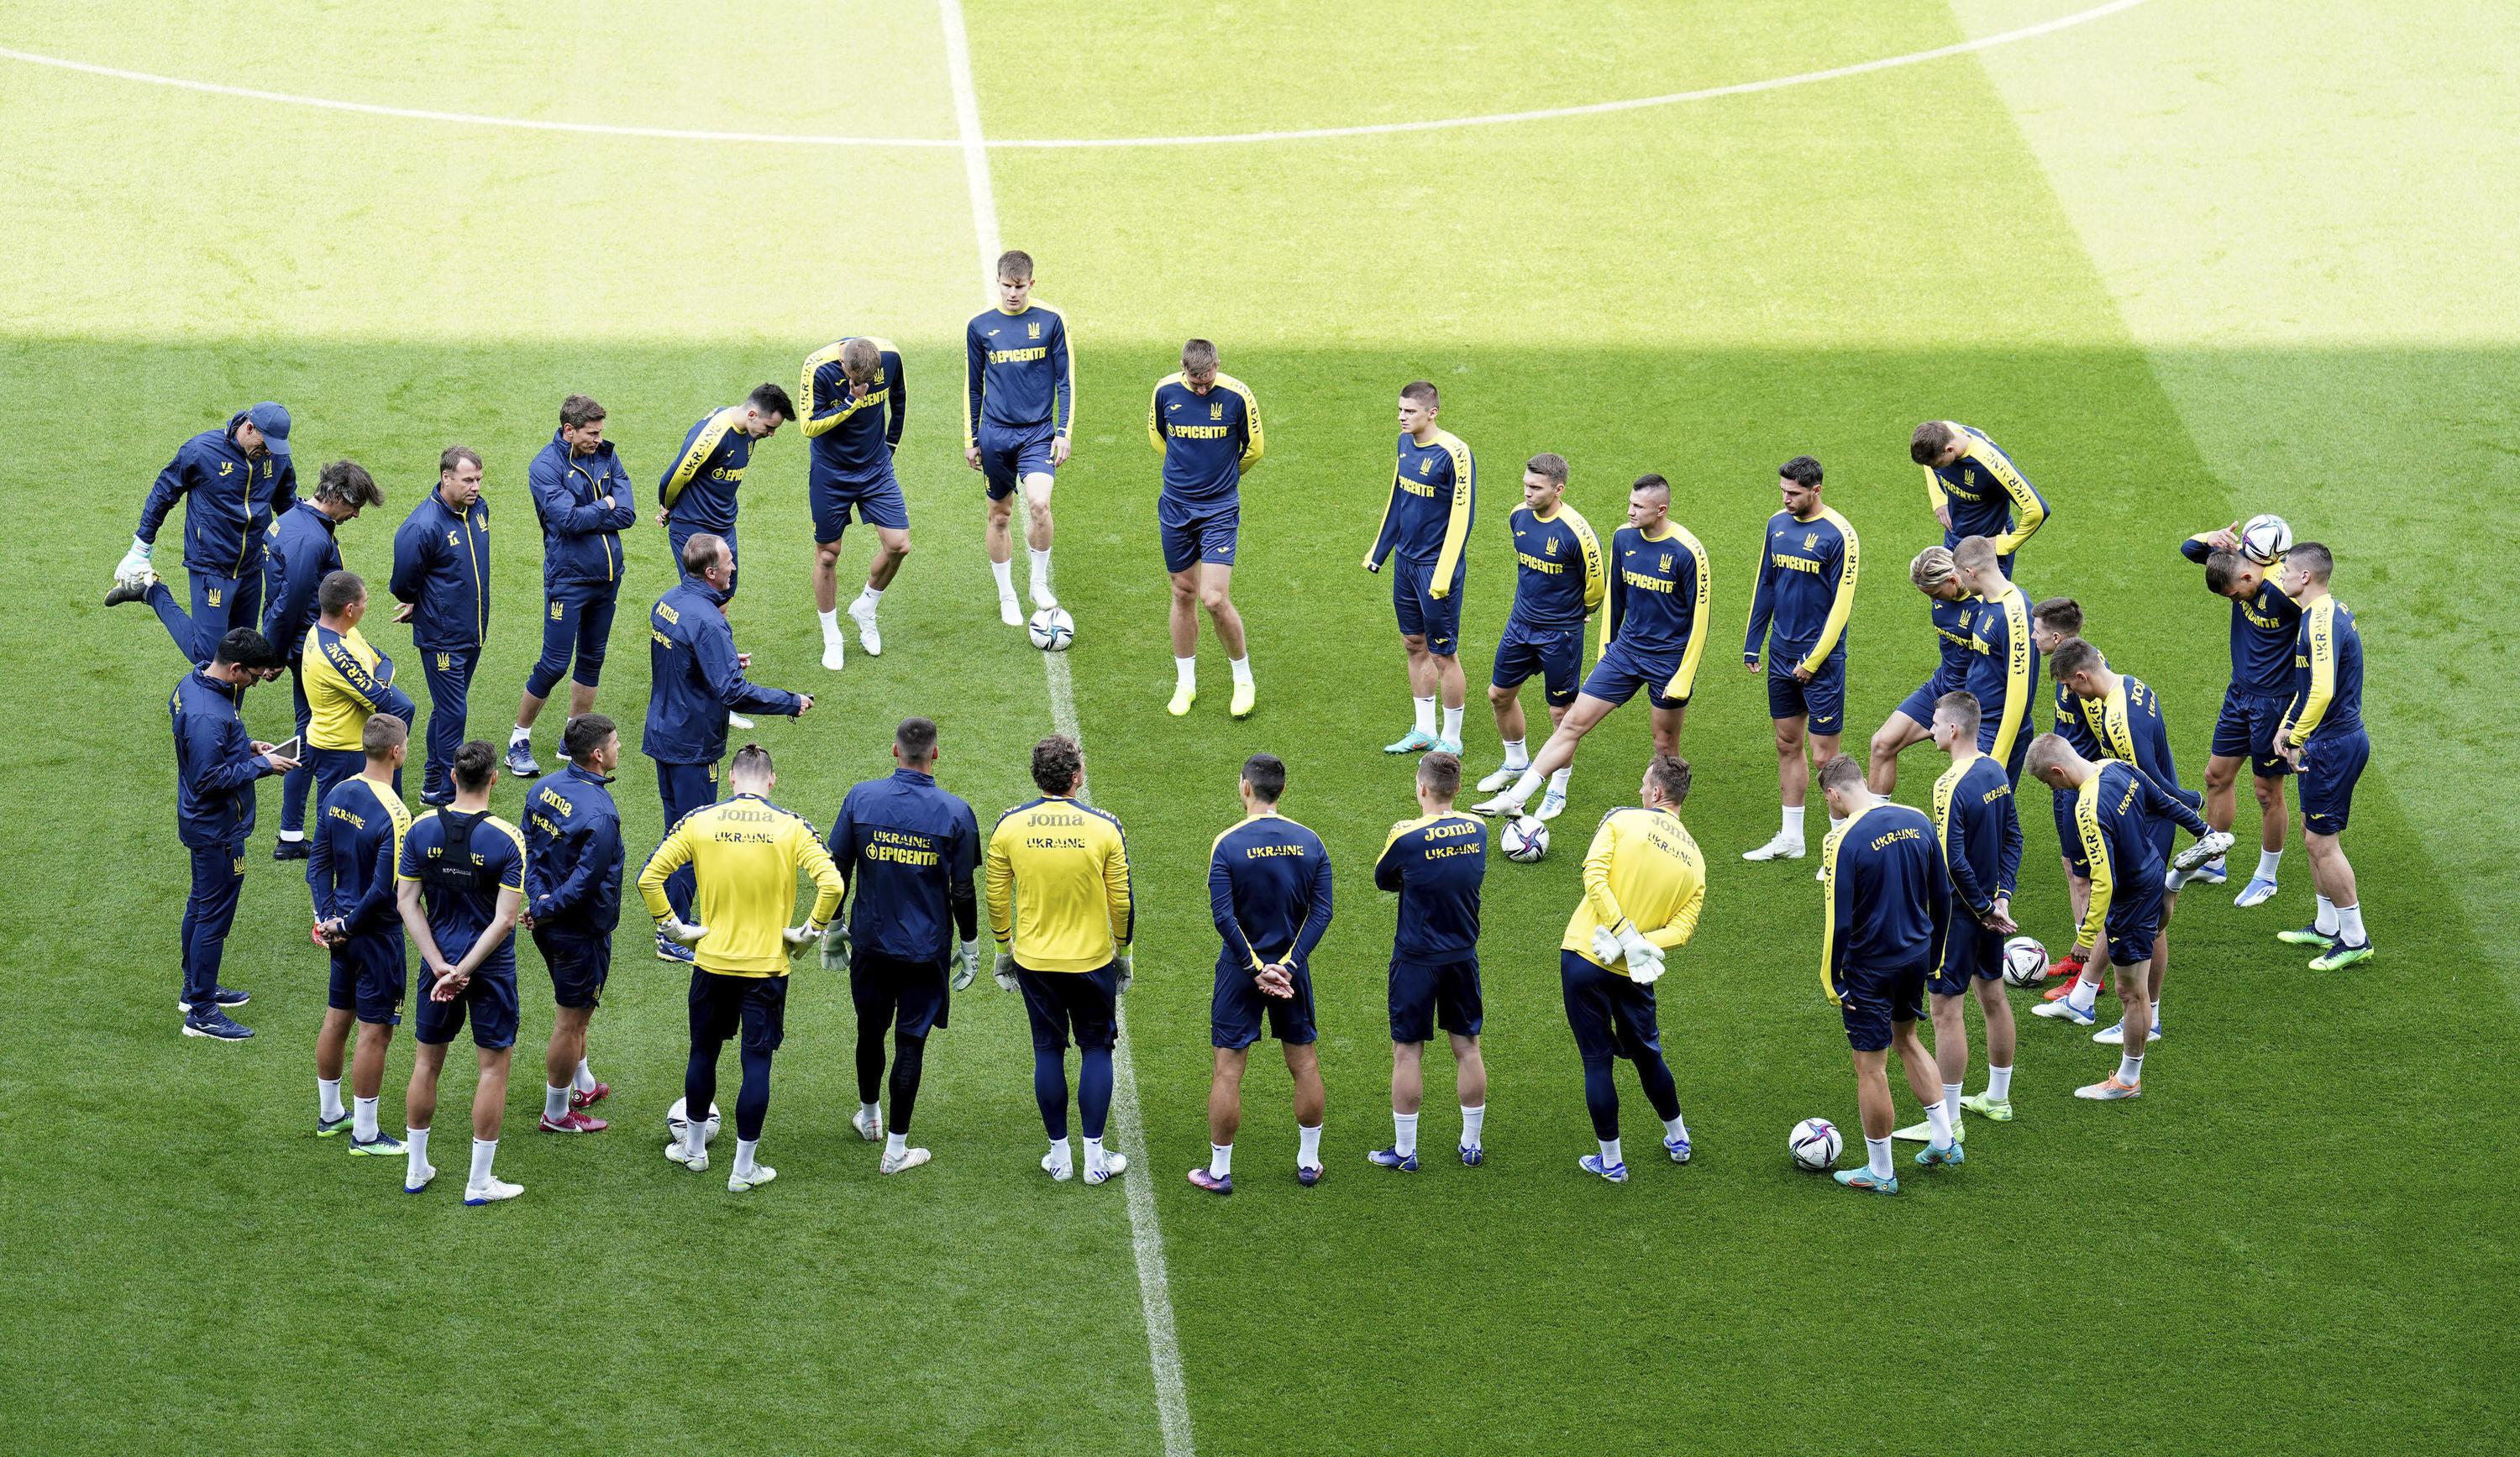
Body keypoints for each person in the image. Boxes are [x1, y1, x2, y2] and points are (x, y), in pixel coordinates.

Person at [640, 743, 844, 1194]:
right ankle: (743, 1169)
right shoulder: (791, 826)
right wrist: (808, 933)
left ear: (731, 779)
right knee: (757, 1065)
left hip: (711, 963)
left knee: (703, 1054)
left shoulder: (700, 821)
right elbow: (832, 883)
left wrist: (675, 929)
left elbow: (649, 878)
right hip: (767, 968)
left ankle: (694, 1151)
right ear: (771, 781)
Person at [1476, 474, 1702, 820]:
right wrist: (1606, 651)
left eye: (1638, 507)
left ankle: (1664, 820)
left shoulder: (1688, 551)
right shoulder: (1624, 538)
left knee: (1665, 747)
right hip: (1624, 654)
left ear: (1661, 509)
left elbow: (1700, 619)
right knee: (1572, 723)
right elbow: (1615, 600)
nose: (1629, 511)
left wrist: (1683, 677)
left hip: (1667, 661)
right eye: (1630, 503)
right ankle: (1517, 797)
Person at [643, 533, 814, 964]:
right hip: (693, 743)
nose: (734, 566)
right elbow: (733, 693)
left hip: (664, 731)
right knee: (691, 838)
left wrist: (717, 658)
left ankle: (668, 916)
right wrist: (791, 702)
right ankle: (672, 932)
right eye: (728, 561)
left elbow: (683, 660)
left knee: (674, 830)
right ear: (711, 572)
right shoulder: (708, 619)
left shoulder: (668, 601)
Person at [822, 717, 982, 1176]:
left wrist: (834, 929)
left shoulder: (861, 797)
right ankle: (895, 1150)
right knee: (911, 1041)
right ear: (936, 754)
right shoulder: (955, 812)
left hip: (871, 943)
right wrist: (970, 946)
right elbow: (963, 890)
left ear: (895, 752)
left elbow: (837, 867)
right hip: (924, 950)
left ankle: (870, 1117)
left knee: (870, 1030)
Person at [2025, 736, 2228, 1098]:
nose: (2052, 788)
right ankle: (2176, 879)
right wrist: (2205, 832)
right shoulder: (2116, 768)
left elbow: (2103, 882)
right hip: (2152, 869)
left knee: (2130, 993)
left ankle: (2127, 1080)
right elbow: (2165, 803)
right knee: (2154, 933)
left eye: (2048, 783)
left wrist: (2085, 940)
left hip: (2129, 899)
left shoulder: (2086, 808)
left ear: (2057, 771)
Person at [984, 736, 1135, 1186]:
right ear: (1076, 777)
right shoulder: (1105, 827)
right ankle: (1094, 1159)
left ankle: (1059, 1157)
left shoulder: (1010, 826)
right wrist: (1123, 954)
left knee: (1047, 1050)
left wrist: (1002, 950)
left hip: (1034, 960)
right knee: (1095, 1049)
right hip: (1092, 960)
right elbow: (1121, 901)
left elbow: (996, 896)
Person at [2045, 635, 2208, 1044]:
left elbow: (2147, 783)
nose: (2068, 693)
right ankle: (2083, 997)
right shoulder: (2134, 685)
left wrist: (2187, 806)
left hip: (2147, 822)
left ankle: (2148, 1018)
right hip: (2148, 817)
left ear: (2082, 675)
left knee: (2148, 922)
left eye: (2068, 684)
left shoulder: (2120, 721)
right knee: (2128, 914)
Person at [1192, 752, 1333, 1194]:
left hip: (1239, 971)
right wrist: (1287, 965)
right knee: (1305, 1064)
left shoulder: (1228, 842)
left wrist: (1255, 967)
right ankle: (1309, 1162)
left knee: (1228, 1072)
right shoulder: (1310, 841)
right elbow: (1322, 912)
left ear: (1246, 788)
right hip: (1293, 972)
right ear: (1282, 790)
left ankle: (1219, 1171)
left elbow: (1222, 916)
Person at [1558, 755, 1704, 1182]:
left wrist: (1620, 932)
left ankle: (1611, 1161)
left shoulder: (1623, 821)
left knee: (1597, 1061)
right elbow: (1682, 931)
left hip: (1586, 955)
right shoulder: (1695, 858)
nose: (1641, 791)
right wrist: (1639, 944)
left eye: (1645, 785)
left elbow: (1593, 876)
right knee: (1647, 1054)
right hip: (1633, 972)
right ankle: (1678, 1138)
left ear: (1657, 793)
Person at [396, 741, 528, 1203]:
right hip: (488, 966)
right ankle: (478, 1183)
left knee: (426, 1064)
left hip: (438, 959)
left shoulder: (419, 829)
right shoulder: (508, 838)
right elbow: (505, 920)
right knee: (492, 1069)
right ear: (494, 778)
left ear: (453, 777)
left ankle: (416, 1171)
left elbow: (407, 904)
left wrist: (440, 968)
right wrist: (465, 970)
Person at [1815, 754, 1955, 1192]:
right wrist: (1936, 956)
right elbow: (1943, 896)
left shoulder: (1842, 840)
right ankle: (1945, 1139)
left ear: (1835, 794)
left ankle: (1880, 1170)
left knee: (1871, 1067)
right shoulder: (1917, 819)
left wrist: (1832, 980)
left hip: (1869, 969)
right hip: (1916, 954)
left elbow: (1837, 920)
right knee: (1908, 1038)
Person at [1893, 692, 2023, 1142]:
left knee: (1946, 1009)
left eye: (1933, 723)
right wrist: (2001, 898)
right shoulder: (1996, 771)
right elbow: (2013, 838)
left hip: (1960, 914)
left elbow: (1952, 862)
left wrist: (1984, 910)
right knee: (1994, 996)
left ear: (1952, 729)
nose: (1929, 730)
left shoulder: (1950, 785)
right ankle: (1998, 1099)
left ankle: (1949, 1122)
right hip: (1991, 909)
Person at [170, 628, 295, 1040]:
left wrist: (248, 748)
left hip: (204, 821)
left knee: (201, 903)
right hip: (216, 826)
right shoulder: (210, 715)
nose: (256, 683)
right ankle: (202, 1011)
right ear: (235, 668)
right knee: (213, 916)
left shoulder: (195, 683)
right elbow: (207, 778)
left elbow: (206, 754)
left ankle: (196, 989)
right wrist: (263, 766)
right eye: (253, 676)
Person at [1370, 752, 1488, 1171]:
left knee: (1407, 1052)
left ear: (1421, 788)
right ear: (1457, 789)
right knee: (1467, 1047)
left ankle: (1405, 1152)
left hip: (1416, 958)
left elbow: (1384, 879)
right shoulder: (1479, 829)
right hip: (1462, 956)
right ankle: (1471, 1145)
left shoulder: (1405, 835)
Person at [507, 396, 637, 778]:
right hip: (568, 580)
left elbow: (628, 513)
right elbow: (566, 520)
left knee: (592, 659)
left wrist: (601, 509)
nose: (598, 439)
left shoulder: (608, 456)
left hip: (608, 578)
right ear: (569, 430)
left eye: (600, 432)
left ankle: (573, 738)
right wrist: (606, 505)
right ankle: (518, 740)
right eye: (591, 433)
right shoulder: (545, 466)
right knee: (554, 663)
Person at [109, 401, 297, 663]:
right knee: (209, 656)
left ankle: (231, 707)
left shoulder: (276, 458)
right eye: (265, 445)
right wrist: (141, 549)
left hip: (252, 565)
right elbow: (163, 493)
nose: (268, 453)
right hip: (211, 565)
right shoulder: (201, 451)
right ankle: (151, 592)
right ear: (250, 427)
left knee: (242, 656)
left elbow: (287, 506)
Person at [264, 460, 385, 858]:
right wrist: (275, 655)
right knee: (309, 737)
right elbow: (289, 603)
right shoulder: (312, 540)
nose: (356, 514)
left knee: (307, 733)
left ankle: (291, 834)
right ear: (338, 498)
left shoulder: (292, 520)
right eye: (356, 506)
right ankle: (294, 834)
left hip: (303, 648)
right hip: (310, 652)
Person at [1742, 457, 1859, 868]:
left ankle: (1839, 848)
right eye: (1783, 491)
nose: (1786, 499)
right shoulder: (1777, 525)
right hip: (1780, 656)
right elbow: (1766, 583)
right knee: (1786, 743)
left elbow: (1841, 606)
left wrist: (1814, 659)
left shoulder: (1839, 534)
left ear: (1816, 490)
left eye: (1793, 493)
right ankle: (1792, 838)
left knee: (1827, 757)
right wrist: (1753, 642)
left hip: (1821, 662)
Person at [1469, 455, 1602, 814]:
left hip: (1559, 634)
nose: (1527, 493)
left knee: (1562, 715)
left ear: (1558, 489)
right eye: (1526, 485)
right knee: (1499, 694)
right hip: (1520, 625)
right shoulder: (1519, 517)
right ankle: (1515, 762)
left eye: (1536, 487)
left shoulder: (1577, 532)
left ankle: (1557, 789)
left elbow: (1596, 588)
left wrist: (1579, 615)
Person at [2181, 521, 2303, 905]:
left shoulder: (2286, 593)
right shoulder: (2234, 569)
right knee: (2216, 776)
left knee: (2267, 792)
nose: (2235, 601)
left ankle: (2266, 876)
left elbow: (2320, 609)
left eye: (2236, 595)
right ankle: (2214, 861)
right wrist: (2210, 537)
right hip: (2239, 694)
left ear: (2251, 575)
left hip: (2275, 704)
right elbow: (2189, 549)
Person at [308, 712, 413, 1156]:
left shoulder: (337, 792)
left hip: (341, 931)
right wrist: (347, 925)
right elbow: (383, 888)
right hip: (375, 935)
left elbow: (318, 862)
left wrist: (327, 919)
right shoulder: (396, 813)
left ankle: (331, 1115)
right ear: (395, 751)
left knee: (337, 1017)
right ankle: (366, 1134)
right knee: (375, 1031)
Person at [1149, 338, 1265, 717]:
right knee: (1183, 593)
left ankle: (1243, 679)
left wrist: (1223, 478)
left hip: (1218, 509)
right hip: (1176, 507)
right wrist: (1186, 472)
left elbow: (1255, 449)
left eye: (1207, 378)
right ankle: (1186, 684)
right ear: (1183, 368)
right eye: (1195, 381)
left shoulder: (1237, 396)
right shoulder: (1165, 392)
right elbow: (1158, 438)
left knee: (1213, 598)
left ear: (1218, 363)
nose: (1202, 387)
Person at [2272, 543, 2375, 969]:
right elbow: (2307, 684)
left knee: (2322, 842)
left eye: (2286, 572)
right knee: (2310, 830)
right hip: (2331, 739)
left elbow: (2323, 689)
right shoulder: (2324, 611)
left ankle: (2354, 939)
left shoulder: (2318, 620)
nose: (2281, 579)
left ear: (2307, 578)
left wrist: (2297, 735)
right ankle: (2327, 925)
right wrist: (2287, 723)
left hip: (2333, 744)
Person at [523, 713, 627, 1135]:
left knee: (579, 1013)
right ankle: (557, 1112)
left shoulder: (542, 787)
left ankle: (581, 1084)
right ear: (598, 755)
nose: (620, 749)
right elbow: (585, 883)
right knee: (571, 1021)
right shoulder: (601, 814)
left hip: (550, 923)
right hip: (578, 930)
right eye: (616, 744)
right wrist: (546, 908)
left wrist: (539, 900)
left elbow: (528, 848)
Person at [1364, 380, 1477, 756]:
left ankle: (1453, 737)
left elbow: (1463, 517)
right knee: (1413, 644)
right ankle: (1425, 730)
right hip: (1406, 563)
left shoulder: (1454, 453)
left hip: (1435, 568)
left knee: (1444, 653)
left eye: (1409, 411)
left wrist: (1443, 574)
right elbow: (1397, 499)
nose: (1401, 417)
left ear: (1433, 412)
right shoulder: (1403, 444)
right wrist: (1380, 551)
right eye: (1399, 410)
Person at [964, 250, 1074, 626]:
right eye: (1007, 286)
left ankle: (1038, 583)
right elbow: (972, 385)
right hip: (994, 434)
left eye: (1020, 286)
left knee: (1040, 505)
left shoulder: (1051, 321)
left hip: (1038, 433)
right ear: (997, 282)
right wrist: (971, 437)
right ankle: (1006, 594)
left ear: (1031, 283)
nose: (1013, 293)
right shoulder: (979, 326)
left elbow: (1066, 380)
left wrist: (1063, 432)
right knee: (1000, 515)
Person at [390, 447, 492, 805]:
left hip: (472, 631)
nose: (476, 487)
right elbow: (403, 583)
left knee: (449, 707)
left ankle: (433, 782)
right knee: (453, 712)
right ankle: (449, 792)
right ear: (446, 477)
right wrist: (423, 603)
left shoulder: (478, 511)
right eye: (468, 480)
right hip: (442, 637)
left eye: (479, 479)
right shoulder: (423, 526)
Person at [801, 337, 909, 669]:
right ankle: (832, 637)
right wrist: (851, 400)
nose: (859, 383)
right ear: (843, 365)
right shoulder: (816, 367)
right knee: (829, 554)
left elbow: (899, 397)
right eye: (852, 377)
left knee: (899, 544)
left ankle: (865, 607)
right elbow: (808, 426)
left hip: (875, 467)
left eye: (866, 380)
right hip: (831, 473)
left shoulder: (889, 355)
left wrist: (890, 442)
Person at [659, 384, 792, 609]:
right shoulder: (712, 437)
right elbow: (672, 478)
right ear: (752, 415)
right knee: (703, 599)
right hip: (694, 527)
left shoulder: (749, 431)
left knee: (724, 594)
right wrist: (666, 507)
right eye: (770, 427)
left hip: (724, 523)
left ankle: (720, 644)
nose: (772, 434)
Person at [2030, 596, 2103, 986]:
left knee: (2085, 877)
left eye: (2037, 631)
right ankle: (2082, 955)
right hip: (2066, 787)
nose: (2032, 635)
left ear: (2056, 637)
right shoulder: (2069, 667)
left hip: (2080, 790)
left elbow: (2109, 737)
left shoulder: (2083, 679)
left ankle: (2091, 966)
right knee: (2071, 867)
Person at [1863, 545, 1975, 796]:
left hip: (1974, 702)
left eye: (1935, 593)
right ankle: (1875, 823)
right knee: (1882, 744)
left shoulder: (1985, 605)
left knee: (1970, 779)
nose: (1933, 600)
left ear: (1953, 579)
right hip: (1941, 689)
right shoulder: (1941, 601)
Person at [302, 570, 417, 814]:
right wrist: (380, 687)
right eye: (364, 602)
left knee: (359, 818)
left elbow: (384, 660)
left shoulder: (344, 633)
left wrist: (378, 683)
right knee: (336, 820)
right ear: (349, 609)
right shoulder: (334, 654)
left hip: (345, 744)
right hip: (340, 750)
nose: (366, 607)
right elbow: (380, 700)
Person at [1946, 535, 2040, 785]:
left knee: (1985, 814)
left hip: (1996, 731)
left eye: (1961, 576)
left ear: (1970, 572)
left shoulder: (2013, 614)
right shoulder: (1989, 601)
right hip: (1979, 725)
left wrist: (1997, 759)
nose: (1962, 584)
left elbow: (2019, 696)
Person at [1911, 420, 2050, 574]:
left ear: (1949, 450)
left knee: (1986, 599)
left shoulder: (1992, 466)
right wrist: (1939, 500)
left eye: (1937, 465)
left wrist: (2005, 544)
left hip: (1985, 549)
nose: (1934, 469)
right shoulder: (1942, 433)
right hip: (1955, 535)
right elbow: (1928, 461)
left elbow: (2037, 510)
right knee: (1943, 591)